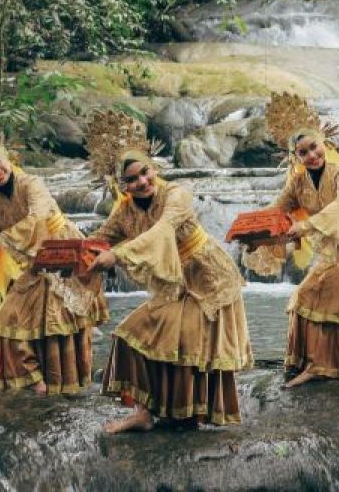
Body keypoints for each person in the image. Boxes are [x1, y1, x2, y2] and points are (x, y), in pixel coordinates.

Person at [84, 110, 253, 433]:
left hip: (207, 280)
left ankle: (188, 414)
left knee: (187, 343)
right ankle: (143, 414)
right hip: (172, 282)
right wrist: (64, 257)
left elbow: (162, 231)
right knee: (131, 335)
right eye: (131, 180)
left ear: (154, 167)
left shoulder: (177, 194)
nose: (141, 182)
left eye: (144, 173)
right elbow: (97, 240)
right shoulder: (124, 212)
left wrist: (116, 256)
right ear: (121, 185)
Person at [0, 110, 107, 396]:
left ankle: (61, 383)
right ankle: (37, 381)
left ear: (8, 159)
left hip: (61, 253)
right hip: (32, 260)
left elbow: (38, 216)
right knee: (9, 319)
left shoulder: (32, 183)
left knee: (60, 319)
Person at [244, 92, 339, 388]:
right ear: (296, 157)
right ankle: (327, 364)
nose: (311, 155)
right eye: (303, 152)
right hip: (330, 246)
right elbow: (277, 210)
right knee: (312, 299)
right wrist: (257, 236)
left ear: (323, 144)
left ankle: (325, 366)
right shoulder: (298, 181)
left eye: (314, 147)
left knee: (330, 301)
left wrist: (305, 227)